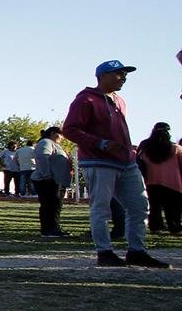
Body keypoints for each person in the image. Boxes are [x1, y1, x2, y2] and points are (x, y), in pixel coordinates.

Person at [62, 60, 169, 268]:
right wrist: (101, 143)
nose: (123, 78)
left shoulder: (120, 101)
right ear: (102, 76)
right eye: (118, 74)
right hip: (99, 161)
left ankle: (136, 251)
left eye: (124, 74)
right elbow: (70, 129)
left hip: (126, 162)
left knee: (139, 206)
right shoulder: (86, 100)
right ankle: (104, 252)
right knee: (101, 208)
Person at [137, 122, 182, 235]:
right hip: (173, 183)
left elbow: (140, 161)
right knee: (173, 208)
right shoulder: (176, 149)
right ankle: (175, 227)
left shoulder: (145, 148)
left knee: (154, 207)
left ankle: (156, 226)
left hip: (151, 182)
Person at [31, 126, 73, 237]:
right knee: (51, 205)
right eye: (60, 134)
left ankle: (53, 228)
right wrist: (46, 174)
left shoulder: (54, 145)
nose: (62, 137)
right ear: (53, 133)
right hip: (48, 180)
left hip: (57, 180)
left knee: (55, 205)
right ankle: (50, 229)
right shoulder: (46, 142)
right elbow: (42, 156)